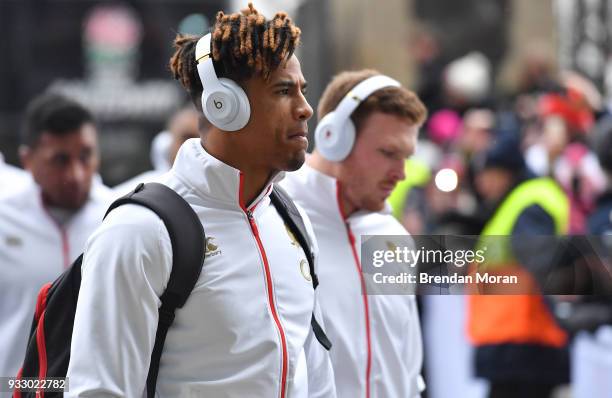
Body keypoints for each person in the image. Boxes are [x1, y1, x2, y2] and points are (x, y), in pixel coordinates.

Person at [66, 4, 335, 397]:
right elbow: (98, 391)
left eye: (302, 91)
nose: (305, 108)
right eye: (283, 90)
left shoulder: (292, 220)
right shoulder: (139, 231)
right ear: (223, 106)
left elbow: (316, 377)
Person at [281, 69, 428, 397]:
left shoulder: (393, 235)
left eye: (405, 157)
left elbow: (407, 366)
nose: (400, 174)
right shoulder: (271, 217)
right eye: (389, 153)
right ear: (334, 138)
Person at [0, 93, 111, 388]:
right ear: (27, 160)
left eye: (85, 156)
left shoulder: (119, 218)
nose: (75, 174)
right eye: (60, 160)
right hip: (13, 389)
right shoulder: (3, 218)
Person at [467, 132, 570, 398]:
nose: (482, 184)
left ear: (505, 173)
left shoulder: (530, 202)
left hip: (524, 342)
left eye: (487, 174)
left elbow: (542, 263)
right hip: (514, 341)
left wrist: (564, 318)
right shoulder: (518, 201)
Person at [113, 106, 204, 195]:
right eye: (186, 138)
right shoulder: (133, 195)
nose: (194, 146)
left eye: (202, 140)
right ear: (167, 142)